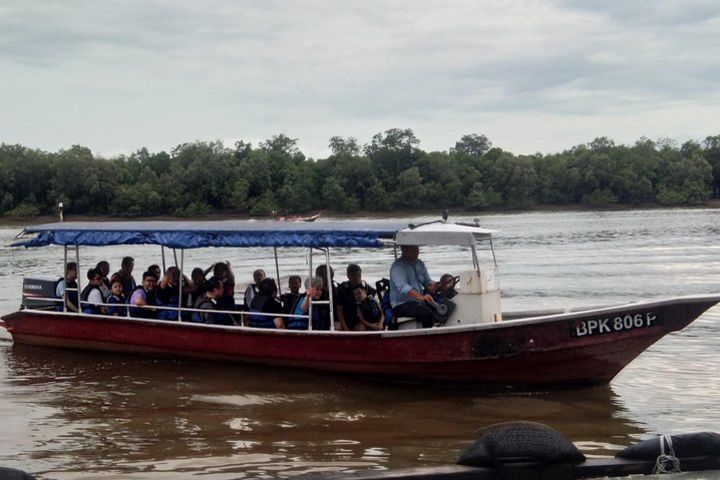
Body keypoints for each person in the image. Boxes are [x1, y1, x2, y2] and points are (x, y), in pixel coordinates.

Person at [389, 245, 441, 329]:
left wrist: (433, 286)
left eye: (417, 248)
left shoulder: (420, 264)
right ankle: (427, 338)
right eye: (414, 249)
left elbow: (427, 282)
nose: (417, 252)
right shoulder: (397, 267)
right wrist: (421, 297)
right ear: (404, 249)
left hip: (418, 302)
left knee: (442, 307)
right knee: (426, 312)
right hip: (401, 304)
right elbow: (404, 288)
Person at [337, 264, 376, 331]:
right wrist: (346, 329)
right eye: (353, 275)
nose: (357, 278)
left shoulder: (366, 287)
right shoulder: (343, 290)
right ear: (348, 276)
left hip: (364, 319)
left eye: (358, 275)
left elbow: (374, 304)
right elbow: (339, 310)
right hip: (349, 319)